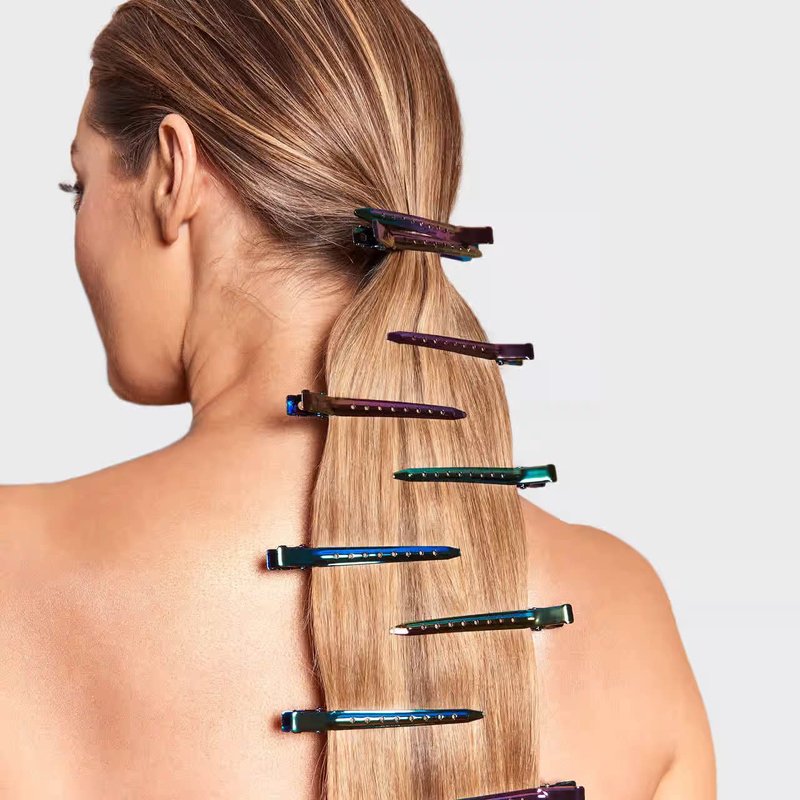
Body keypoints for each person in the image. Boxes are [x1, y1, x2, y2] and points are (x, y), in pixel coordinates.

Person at [0, 1, 715, 798]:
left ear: (172, 172)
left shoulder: (12, 573)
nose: (82, 226)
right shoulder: (622, 614)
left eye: (80, 184)